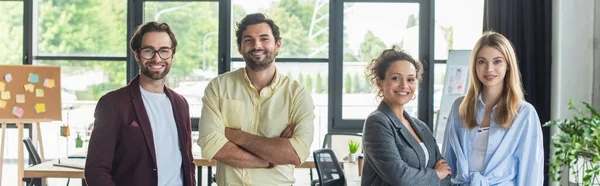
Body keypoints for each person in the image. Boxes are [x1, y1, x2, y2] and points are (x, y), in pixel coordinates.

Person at [197, 13, 315, 185]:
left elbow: (295, 154)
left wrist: (234, 135)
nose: (257, 45)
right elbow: (211, 146)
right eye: (248, 40)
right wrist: (270, 159)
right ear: (239, 47)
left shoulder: (297, 95)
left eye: (264, 38)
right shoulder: (219, 87)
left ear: (278, 45)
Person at [85, 22, 196, 186]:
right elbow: (96, 171)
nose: (157, 58)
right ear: (137, 55)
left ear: (172, 55)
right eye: (149, 51)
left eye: (164, 51)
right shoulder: (113, 104)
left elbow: (188, 162)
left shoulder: (180, 103)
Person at [442, 31, 544, 185]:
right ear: (475, 65)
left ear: (508, 65)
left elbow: (531, 170)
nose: (489, 69)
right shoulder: (459, 107)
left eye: (497, 62)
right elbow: (447, 161)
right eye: (482, 62)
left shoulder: (524, 113)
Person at [361, 47, 452, 186]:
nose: (404, 85)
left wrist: (439, 175)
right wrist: (435, 174)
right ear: (380, 83)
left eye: (410, 79)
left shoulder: (421, 127)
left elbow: (445, 171)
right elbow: (399, 177)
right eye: (396, 78)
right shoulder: (377, 122)